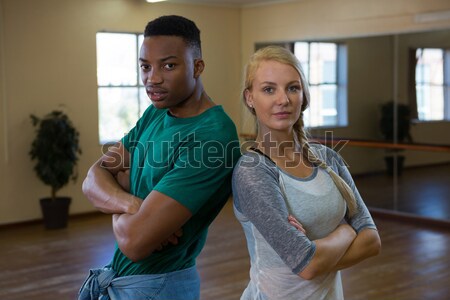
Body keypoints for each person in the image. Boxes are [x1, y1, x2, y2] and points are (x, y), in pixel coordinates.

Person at [79, 15, 240, 300]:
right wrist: (133, 204)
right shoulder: (156, 111)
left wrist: (116, 192)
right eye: (145, 66)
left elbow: (134, 242)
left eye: (168, 65)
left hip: (159, 287)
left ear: (197, 67)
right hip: (123, 278)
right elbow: (92, 179)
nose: (152, 78)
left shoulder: (212, 136)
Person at [232, 46, 381, 300]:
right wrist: (345, 232)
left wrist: (314, 255)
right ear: (250, 98)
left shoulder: (329, 159)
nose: (283, 100)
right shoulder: (253, 171)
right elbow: (308, 265)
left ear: (304, 95)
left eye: (292, 88)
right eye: (269, 89)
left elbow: (372, 240)